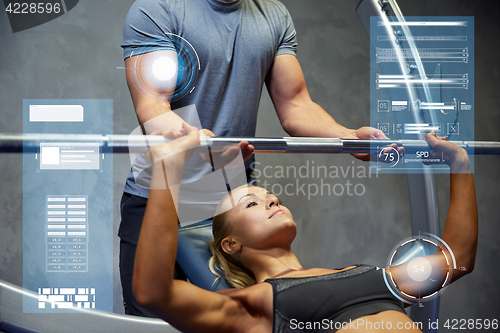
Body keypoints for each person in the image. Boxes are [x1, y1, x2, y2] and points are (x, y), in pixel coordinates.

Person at [119, 0, 398, 316]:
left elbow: (295, 105)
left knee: (250, 319)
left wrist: (345, 137)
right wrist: (196, 146)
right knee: (148, 320)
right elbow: (154, 107)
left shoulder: (274, 15)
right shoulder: (159, 9)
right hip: (157, 195)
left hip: (231, 202)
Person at [133, 123, 478, 333]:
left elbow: (456, 259)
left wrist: (459, 163)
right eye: (251, 203)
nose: (271, 199)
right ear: (230, 244)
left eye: (268, 195)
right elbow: (153, 293)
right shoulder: (250, 305)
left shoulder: (364, 274)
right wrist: (168, 171)